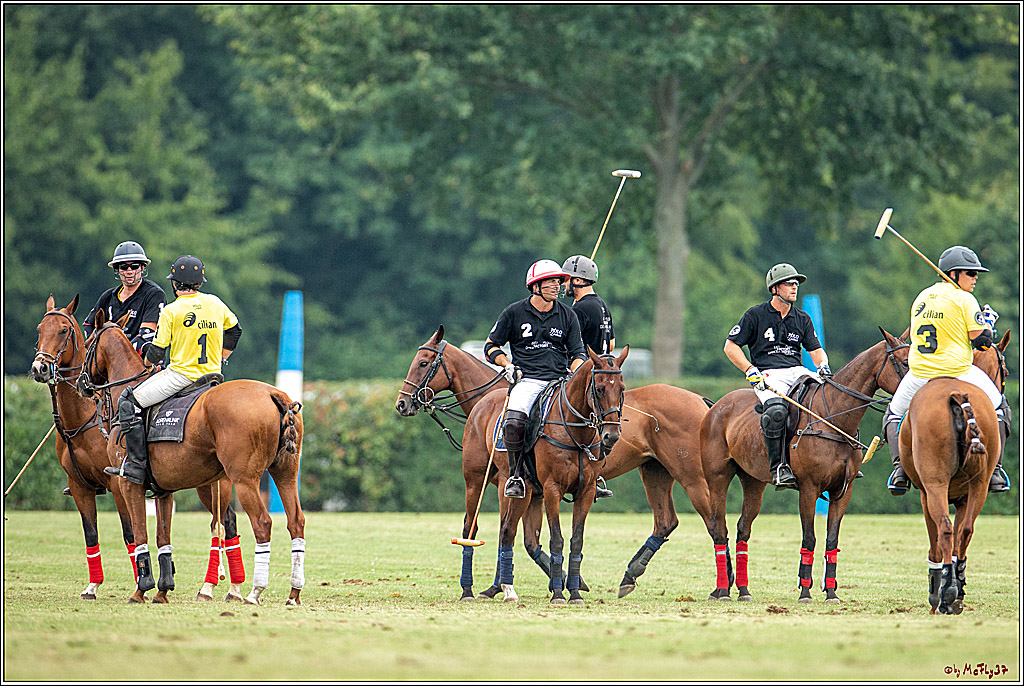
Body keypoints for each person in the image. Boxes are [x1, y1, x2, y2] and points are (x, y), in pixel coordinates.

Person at [883, 246, 1010, 495]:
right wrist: (987, 324)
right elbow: (982, 343)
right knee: (1000, 408)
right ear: (953, 274)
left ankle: (899, 470)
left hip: (920, 374)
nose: (975, 278)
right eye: (970, 273)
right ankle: (995, 469)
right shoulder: (964, 299)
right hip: (958, 371)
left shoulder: (921, 298)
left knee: (893, 415)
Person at [105, 256, 242, 485]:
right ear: (200, 283)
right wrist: (220, 359)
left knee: (128, 401)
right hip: (212, 376)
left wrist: (147, 365)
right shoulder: (216, 303)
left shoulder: (172, 310)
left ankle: (137, 466)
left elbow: (157, 352)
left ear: (175, 283)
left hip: (181, 376)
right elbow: (235, 331)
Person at [484, 259, 588, 499]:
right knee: (513, 421)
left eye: (558, 282)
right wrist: (507, 365)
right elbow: (491, 346)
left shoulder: (568, 315)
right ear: (535, 286)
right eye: (551, 281)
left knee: (590, 413)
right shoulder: (514, 312)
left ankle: (593, 472)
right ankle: (516, 475)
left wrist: (575, 371)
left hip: (559, 381)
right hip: (527, 380)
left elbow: (578, 353)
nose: (558, 286)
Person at [724, 263, 832, 490]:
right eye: (789, 283)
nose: (794, 288)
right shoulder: (755, 315)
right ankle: (779, 467)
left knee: (829, 398)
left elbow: (815, 349)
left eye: (796, 284)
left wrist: (822, 366)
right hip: (767, 373)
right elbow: (731, 346)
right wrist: (749, 370)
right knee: (776, 412)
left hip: (796, 371)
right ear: (775, 288)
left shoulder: (801, 318)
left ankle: (839, 462)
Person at [562, 254, 615, 499]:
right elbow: (611, 344)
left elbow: (568, 344)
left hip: (583, 372)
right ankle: (598, 475)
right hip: (604, 371)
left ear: (578, 281)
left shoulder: (581, 308)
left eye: (567, 280)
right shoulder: (602, 305)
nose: (564, 285)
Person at [82, 241, 166, 356]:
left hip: (142, 361)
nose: (129, 271)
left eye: (134, 266)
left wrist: (118, 354)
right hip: (109, 361)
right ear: (118, 270)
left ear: (142, 267)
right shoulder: (108, 296)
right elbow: (89, 325)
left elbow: (147, 334)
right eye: (124, 267)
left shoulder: (154, 294)